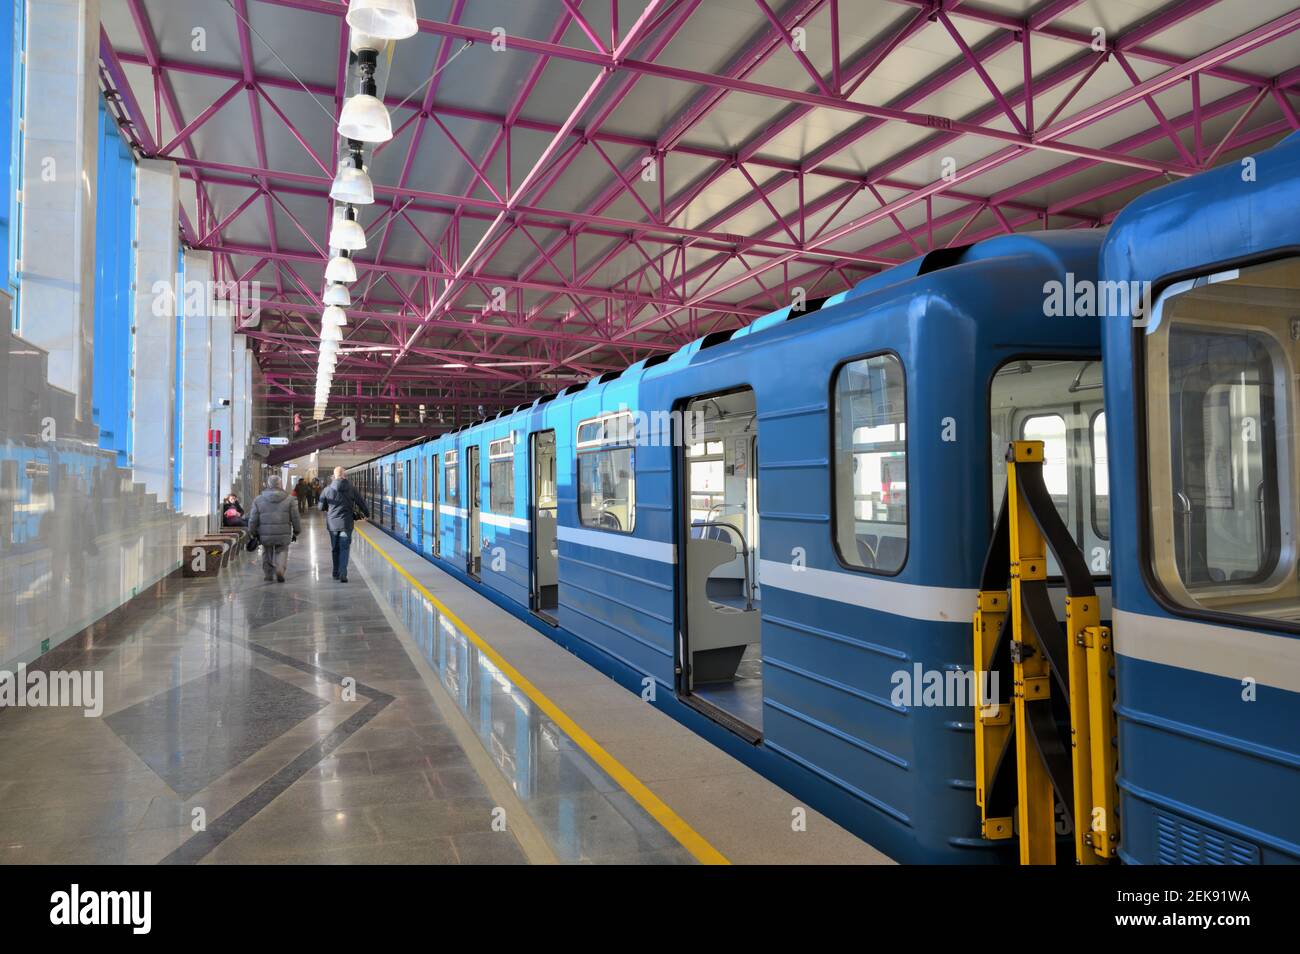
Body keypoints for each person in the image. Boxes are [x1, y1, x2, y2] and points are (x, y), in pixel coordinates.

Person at [319, 466, 369, 583]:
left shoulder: (327, 489)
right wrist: (367, 513)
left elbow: (321, 507)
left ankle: (335, 573)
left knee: (335, 548)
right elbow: (361, 502)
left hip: (332, 524)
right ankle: (343, 573)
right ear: (344, 475)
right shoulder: (351, 488)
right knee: (344, 548)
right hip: (346, 523)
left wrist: (329, 508)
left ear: (334, 476)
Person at [247, 475, 300, 583]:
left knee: (267, 551)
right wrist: (296, 530)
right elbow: (295, 517)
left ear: (268, 484)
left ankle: (268, 574)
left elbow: (253, 518)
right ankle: (280, 569)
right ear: (280, 484)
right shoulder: (290, 499)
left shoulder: (258, 499)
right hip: (283, 532)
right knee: (282, 550)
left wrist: (252, 531)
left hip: (265, 532)